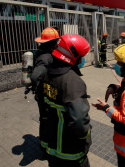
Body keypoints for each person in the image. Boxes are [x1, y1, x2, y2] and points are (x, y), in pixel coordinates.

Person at [37, 33, 92, 167]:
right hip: (71, 153)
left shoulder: (46, 74)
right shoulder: (73, 82)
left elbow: (41, 103)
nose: (82, 60)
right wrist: (87, 132)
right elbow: (79, 122)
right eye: (82, 57)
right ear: (74, 57)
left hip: (52, 146)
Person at [30, 27, 60, 154]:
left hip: (42, 94)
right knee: (47, 119)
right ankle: (46, 147)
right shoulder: (46, 58)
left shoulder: (41, 52)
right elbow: (35, 76)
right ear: (52, 43)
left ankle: (45, 144)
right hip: (44, 96)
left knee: (45, 119)